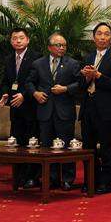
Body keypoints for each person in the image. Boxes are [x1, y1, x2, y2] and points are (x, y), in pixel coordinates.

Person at [26, 32, 80, 191]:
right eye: (58, 45)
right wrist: (35, 93)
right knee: (47, 147)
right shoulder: (38, 64)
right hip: (45, 111)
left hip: (64, 112)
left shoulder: (73, 64)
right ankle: (51, 178)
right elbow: (29, 82)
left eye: (64, 45)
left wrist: (66, 89)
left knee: (67, 146)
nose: (62, 48)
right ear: (49, 47)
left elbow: (81, 84)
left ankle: (68, 179)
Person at [79, 22, 111, 195]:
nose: (102, 37)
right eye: (99, 34)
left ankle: (105, 183)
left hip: (106, 109)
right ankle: (90, 180)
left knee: (105, 147)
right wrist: (86, 77)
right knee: (88, 147)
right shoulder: (88, 57)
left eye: (106, 34)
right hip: (88, 108)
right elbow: (80, 85)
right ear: (93, 37)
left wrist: (98, 76)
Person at [0, 28, 40, 189]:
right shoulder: (8, 59)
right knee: (18, 142)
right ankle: (20, 176)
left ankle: (33, 177)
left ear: (27, 40)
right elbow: (5, 81)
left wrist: (24, 95)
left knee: (32, 143)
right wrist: (5, 93)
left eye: (21, 38)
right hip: (15, 108)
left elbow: (36, 81)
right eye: (14, 38)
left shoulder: (36, 57)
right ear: (11, 41)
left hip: (31, 106)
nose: (18, 41)